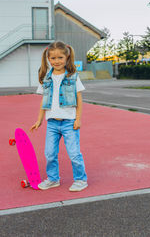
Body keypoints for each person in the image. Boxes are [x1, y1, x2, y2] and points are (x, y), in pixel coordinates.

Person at [30, 41, 88, 192]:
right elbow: (44, 101)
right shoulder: (46, 79)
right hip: (52, 124)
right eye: (53, 58)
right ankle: (53, 179)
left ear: (67, 57)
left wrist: (78, 118)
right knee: (49, 154)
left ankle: (81, 180)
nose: (57, 61)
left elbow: (79, 99)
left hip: (69, 122)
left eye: (60, 57)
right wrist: (39, 120)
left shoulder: (73, 76)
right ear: (48, 59)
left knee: (74, 153)